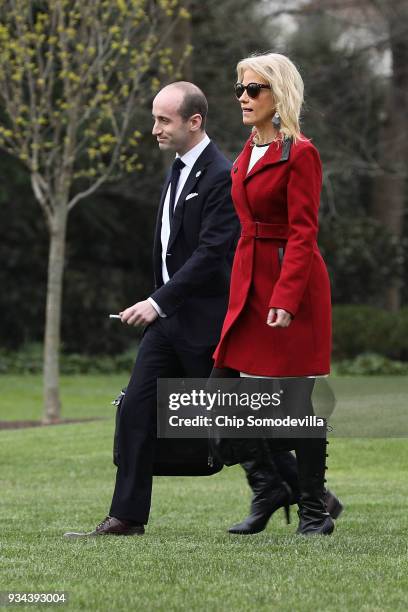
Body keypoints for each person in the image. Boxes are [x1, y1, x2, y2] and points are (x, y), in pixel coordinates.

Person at [64, 81, 240, 536]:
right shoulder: (176, 170)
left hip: (203, 324)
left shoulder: (221, 174)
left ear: (194, 121)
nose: (154, 128)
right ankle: (127, 517)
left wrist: (156, 301)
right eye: (155, 118)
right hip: (167, 323)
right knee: (137, 408)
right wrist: (158, 305)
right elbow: (170, 250)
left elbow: (212, 253)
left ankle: (311, 495)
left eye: (164, 120)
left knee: (234, 422)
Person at [212, 53, 337, 535]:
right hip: (247, 283)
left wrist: (285, 299)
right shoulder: (248, 149)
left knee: (295, 406)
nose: (243, 97)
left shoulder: (300, 152)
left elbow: (305, 232)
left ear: (278, 95)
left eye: (254, 89)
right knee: (220, 395)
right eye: (240, 88)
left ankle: (314, 512)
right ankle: (269, 488)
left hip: (291, 286)